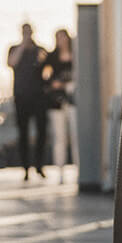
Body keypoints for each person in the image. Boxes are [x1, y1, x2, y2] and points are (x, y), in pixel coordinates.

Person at [7, 23, 50, 180]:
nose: (27, 34)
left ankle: (39, 166)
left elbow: (48, 70)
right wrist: (22, 46)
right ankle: (25, 168)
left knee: (41, 132)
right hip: (21, 96)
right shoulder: (14, 49)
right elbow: (12, 63)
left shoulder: (40, 50)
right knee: (23, 133)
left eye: (29, 32)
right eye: (24, 32)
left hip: (39, 97)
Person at [43, 27, 78, 184]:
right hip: (56, 102)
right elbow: (43, 76)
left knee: (76, 135)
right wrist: (53, 84)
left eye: (63, 37)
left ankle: (79, 170)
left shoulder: (76, 55)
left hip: (73, 101)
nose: (61, 41)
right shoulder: (51, 57)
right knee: (59, 137)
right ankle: (60, 172)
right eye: (58, 38)